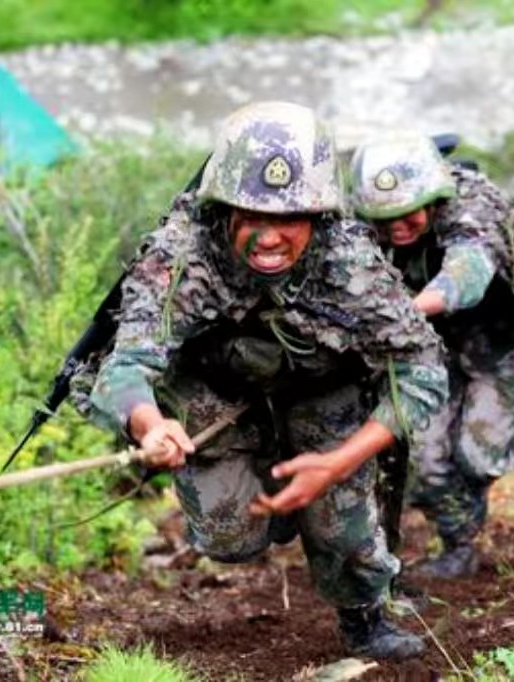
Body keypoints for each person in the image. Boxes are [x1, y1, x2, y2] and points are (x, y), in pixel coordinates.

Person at [71, 103, 448, 659]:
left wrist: (340, 464)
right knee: (229, 538)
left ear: (318, 217)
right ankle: (268, 475)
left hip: (324, 389)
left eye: (290, 218)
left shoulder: (350, 263)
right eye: (252, 216)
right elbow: (125, 364)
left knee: (342, 529)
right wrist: (150, 426)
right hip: (215, 392)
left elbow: (421, 369)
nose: (269, 238)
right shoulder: (181, 256)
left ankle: (364, 617)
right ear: (224, 212)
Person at [349, 133, 514, 579]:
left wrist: (404, 310)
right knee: (426, 460)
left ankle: (470, 512)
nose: (396, 227)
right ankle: (460, 544)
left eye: (407, 214)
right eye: (384, 218)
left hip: (504, 345)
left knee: (477, 456)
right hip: (434, 346)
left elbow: (468, 273)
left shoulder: (471, 208)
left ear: (431, 197)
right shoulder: (367, 224)